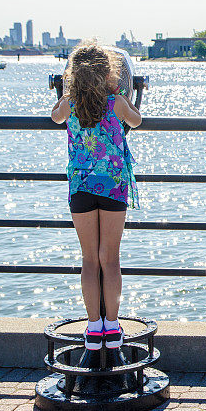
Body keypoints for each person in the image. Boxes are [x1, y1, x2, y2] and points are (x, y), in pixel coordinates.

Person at [51, 43, 142, 350]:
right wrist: (124, 94)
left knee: (90, 260)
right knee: (110, 259)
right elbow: (136, 121)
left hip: (81, 186)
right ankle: (113, 328)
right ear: (109, 73)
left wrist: (64, 92)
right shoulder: (116, 101)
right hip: (113, 185)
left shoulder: (71, 103)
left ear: (72, 75)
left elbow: (55, 117)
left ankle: (93, 329)